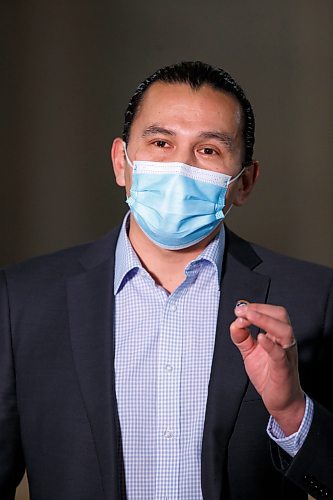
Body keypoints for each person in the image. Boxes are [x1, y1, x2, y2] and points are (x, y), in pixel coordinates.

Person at [0, 61, 332, 500]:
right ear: (122, 162)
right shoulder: (22, 300)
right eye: (160, 142)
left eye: (209, 150)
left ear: (244, 182)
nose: (180, 167)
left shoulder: (313, 299)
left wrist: (293, 412)